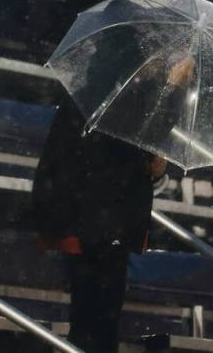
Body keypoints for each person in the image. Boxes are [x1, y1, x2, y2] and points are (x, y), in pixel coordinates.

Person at [32, 55, 191, 352]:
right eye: (154, 59)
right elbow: (142, 134)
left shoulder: (111, 92)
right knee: (95, 319)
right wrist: (175, 89)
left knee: (98, 318)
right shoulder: (107, 93)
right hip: (93, 219)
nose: (160, 64)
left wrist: (156, 170)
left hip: (104, 219)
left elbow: (137, 156)